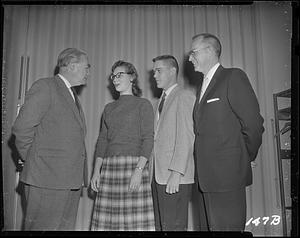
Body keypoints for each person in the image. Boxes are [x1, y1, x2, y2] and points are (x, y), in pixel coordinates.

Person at [189, 33, 265, 231]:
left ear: (210, 51)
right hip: (205, 180)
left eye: (193, 52)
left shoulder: (233, 76)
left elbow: (254, 124)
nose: (189, 58)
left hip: (227, 177)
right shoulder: (202, 87)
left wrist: (243, 156)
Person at [12, 48, 90, 230]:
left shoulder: (71, 95)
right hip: (46, 180)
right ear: (71, 66)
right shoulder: (46, 87)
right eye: (86, 67)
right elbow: (21, 128)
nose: (88, 72)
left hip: (68, 181)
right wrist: (33, 160)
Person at [90, 60, 155, 231]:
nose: (115, 79)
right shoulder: (109, 108)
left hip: (134, 168)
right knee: (109, 224)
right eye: (113, 76)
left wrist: (138, 171)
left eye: (120, 75)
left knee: (135, 224)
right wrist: (96, 172)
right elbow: (102, 141)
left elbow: (148, 139)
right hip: (110, 169)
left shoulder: (143, 105)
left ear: (132, 77)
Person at [150, 55, 195, 231]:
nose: (154, 75)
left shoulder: (184, 96)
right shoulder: (159, 101)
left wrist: (176, 172)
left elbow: (186, 136)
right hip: (158, 176)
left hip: (175, 176)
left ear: (173, 71)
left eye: (159, 70)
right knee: (162, 226)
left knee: (173, 227)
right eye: (154, 71)